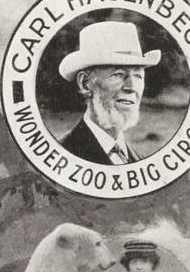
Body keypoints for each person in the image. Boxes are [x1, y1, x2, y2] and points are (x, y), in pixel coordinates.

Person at [57, 21, 161, 165]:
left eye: (138, 76)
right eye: (118, 74)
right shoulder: (62, 157)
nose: (131, 87)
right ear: (85, 83)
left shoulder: (140, 160)